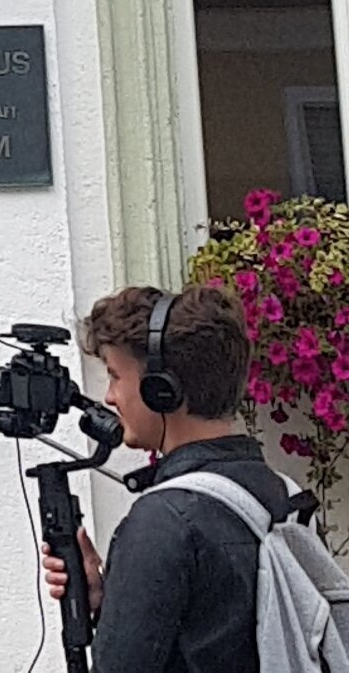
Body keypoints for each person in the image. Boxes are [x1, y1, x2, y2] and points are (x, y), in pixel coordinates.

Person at [42, 284, 288, 672]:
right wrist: (110, 599)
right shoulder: (280, 494)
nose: (109, 397)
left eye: (114, 375)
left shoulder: (164, 522)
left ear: (161, 390)